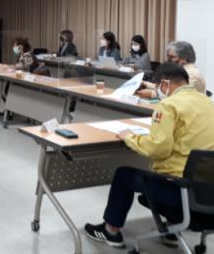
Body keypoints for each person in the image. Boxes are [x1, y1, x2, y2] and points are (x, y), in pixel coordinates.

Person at [84, 63, 214, 249]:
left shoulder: (168, 105)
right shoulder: (209, 103)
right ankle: (171, 230)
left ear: (165, 84)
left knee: (124, 174)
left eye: (158, 86)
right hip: (207, 193)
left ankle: (110, 231)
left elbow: (158, 149)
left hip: (180, 193)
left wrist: (130, 137)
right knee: (176, 165)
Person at [138, 41, 206, 97]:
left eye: (171, 57)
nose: (168, 60)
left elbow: (178, 95)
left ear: (184, 59)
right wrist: (145, 84)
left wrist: (153, 94)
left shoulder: (192, 75)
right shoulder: (179, 71)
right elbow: (167, 87)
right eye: (168, 56)